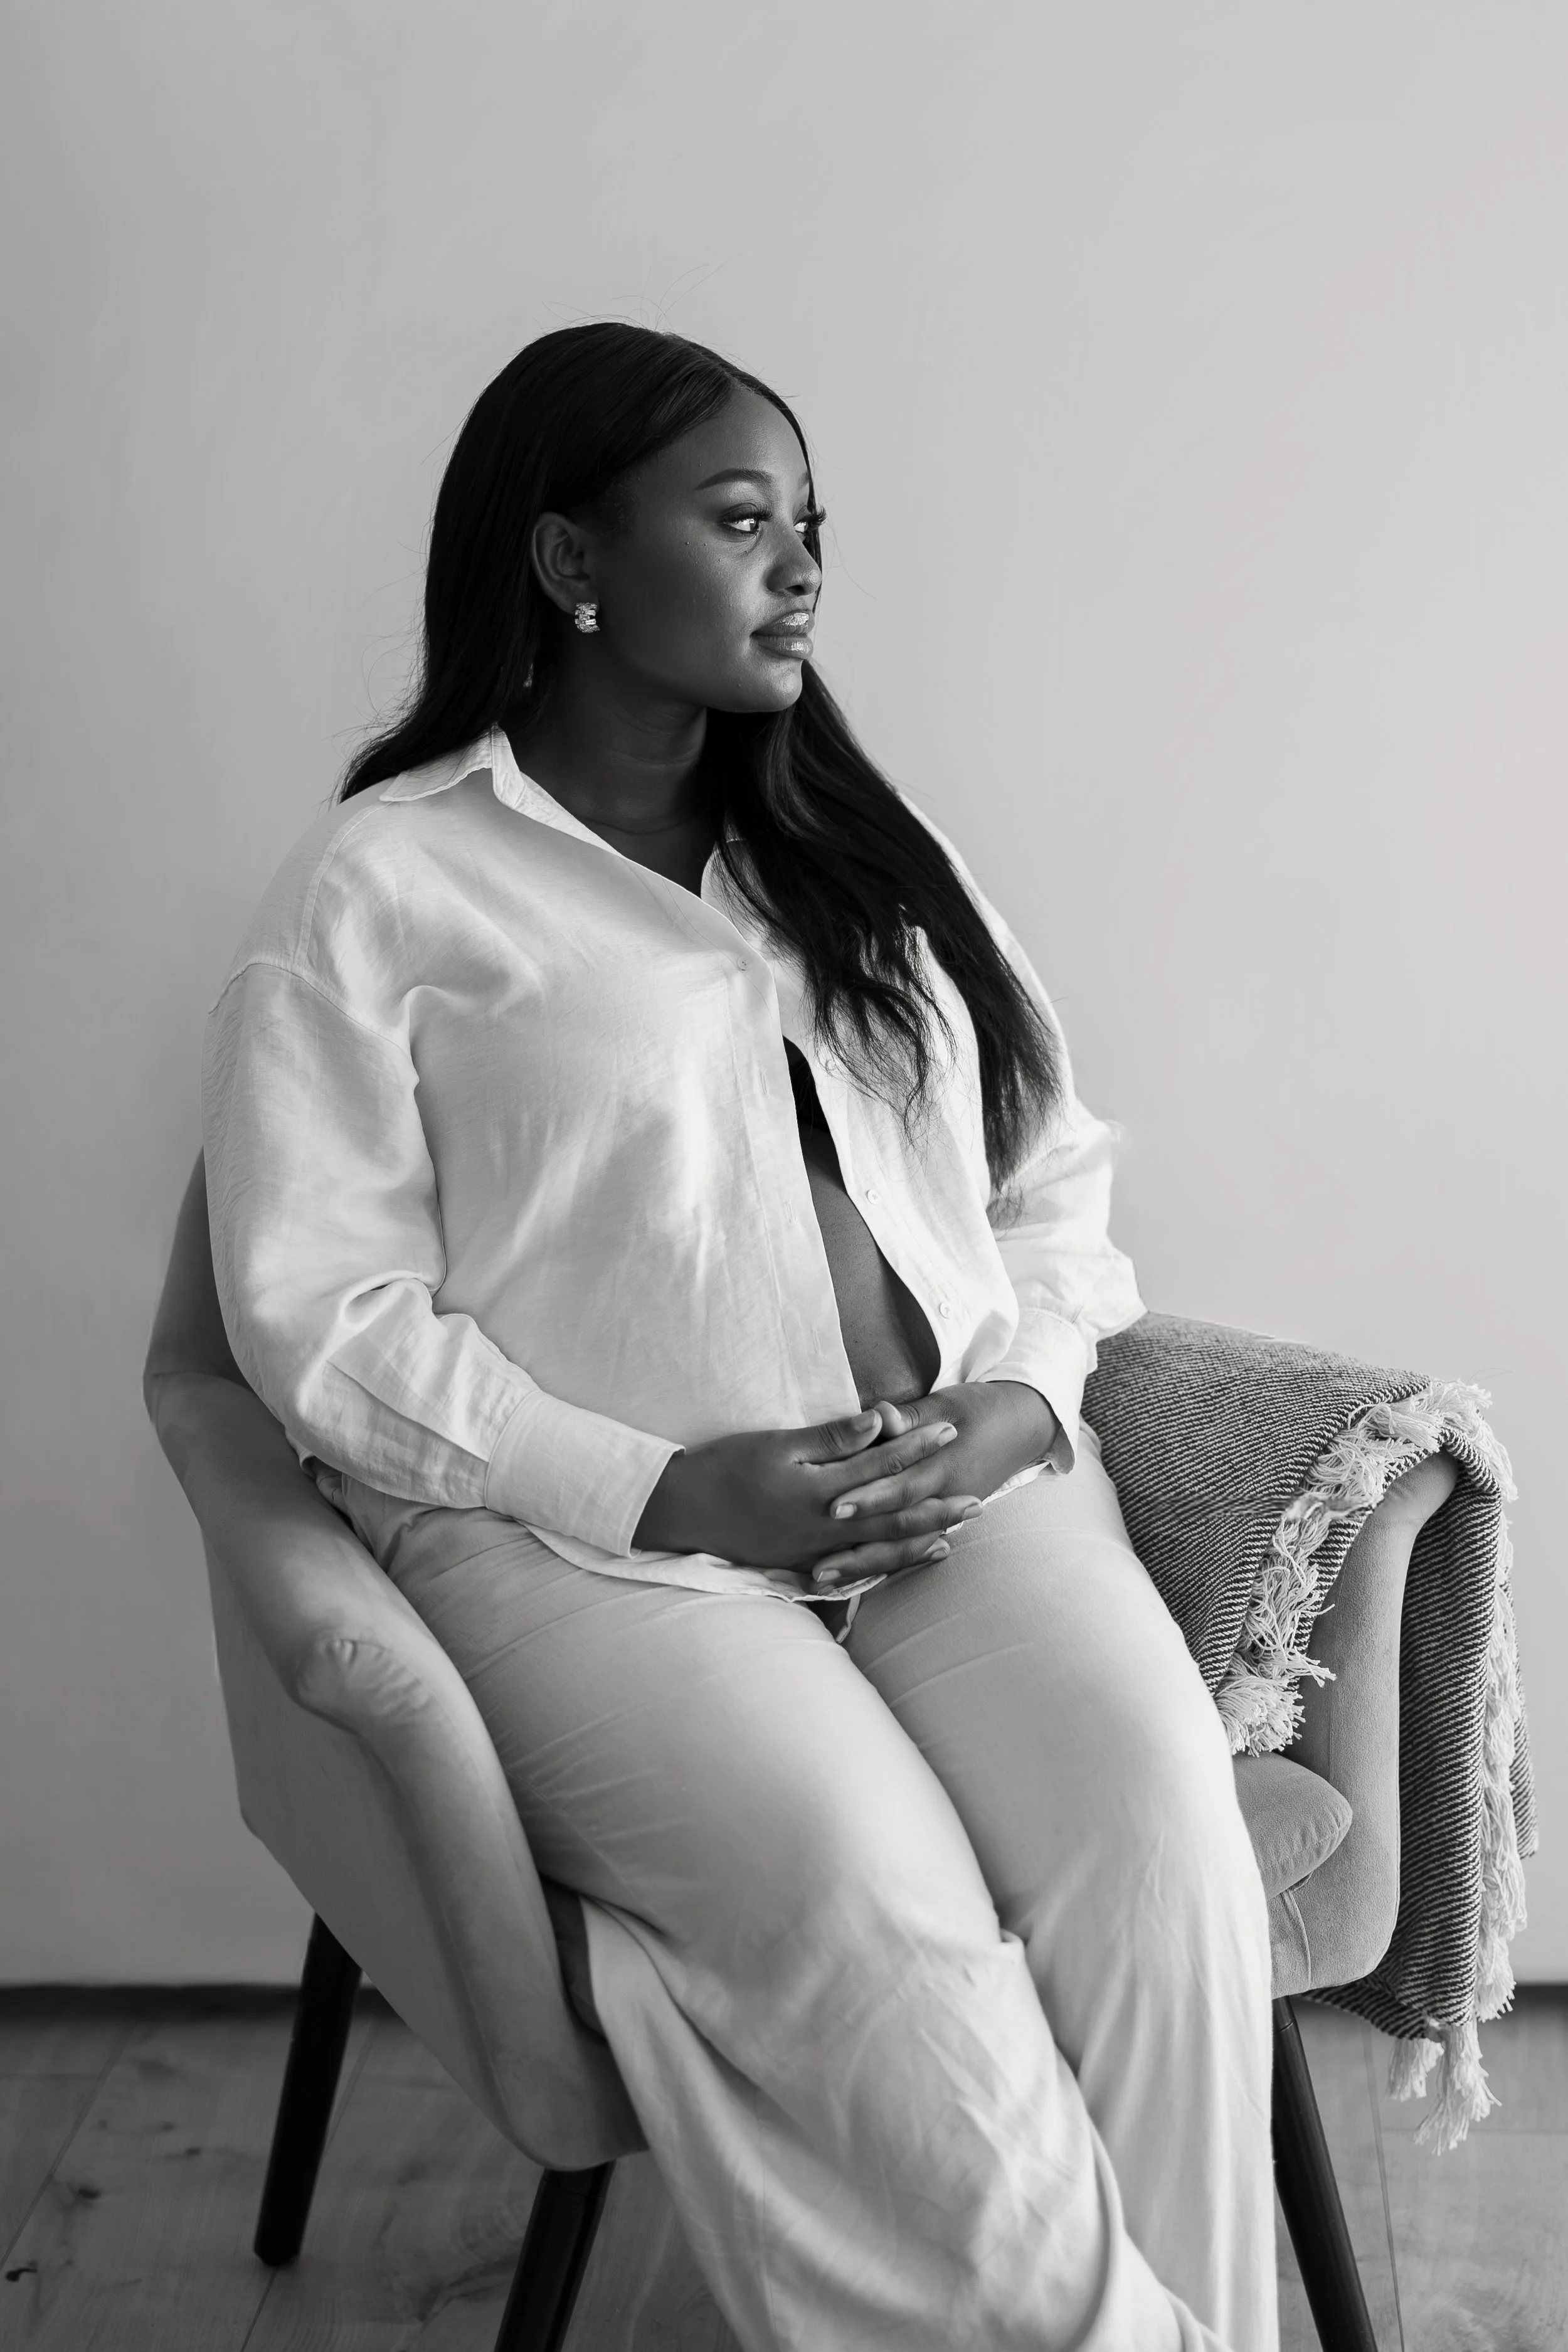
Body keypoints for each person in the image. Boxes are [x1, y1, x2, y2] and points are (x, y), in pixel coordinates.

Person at [202, 324, 1277, 2351]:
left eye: (809, 527)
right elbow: (313, 1319)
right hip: (591, 1547)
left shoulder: (870, 849)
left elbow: (1050, 1185)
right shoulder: (383, 886)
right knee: (874, 1913)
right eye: (738, 518)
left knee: (1160, 1848)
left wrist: (1014, 1407)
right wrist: (662, 1483)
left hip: (948, 1491)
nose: (798, 568)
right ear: (569, 560)